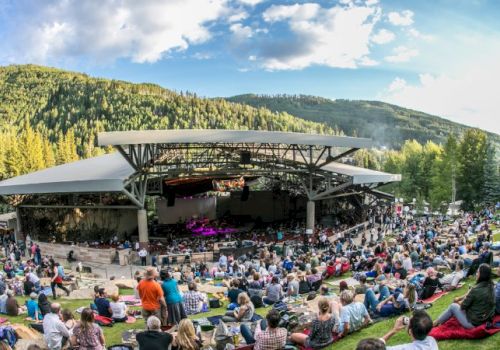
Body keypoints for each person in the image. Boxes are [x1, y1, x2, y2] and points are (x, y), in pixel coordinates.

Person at [434, 263, 495, 329]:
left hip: (474, 323)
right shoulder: (491, 286)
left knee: (453, 306)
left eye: (477, 272)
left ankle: (435, 323)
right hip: (486, 319)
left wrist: (458, 301)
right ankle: (439, 321)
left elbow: (463, 306)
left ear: (482, 275)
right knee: (456, 304)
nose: (476, 274)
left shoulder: (476, 290)